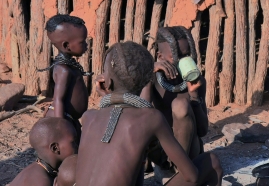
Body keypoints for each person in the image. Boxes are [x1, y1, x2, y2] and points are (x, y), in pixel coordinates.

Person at [76, 41, 222, 186]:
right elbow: (192, 176)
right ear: (147, 79)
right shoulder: (151, 119)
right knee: (212, 162)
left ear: (105, 82)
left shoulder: (89, 117)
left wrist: (107, 97)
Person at [141, 26, 208, 162]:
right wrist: (147, 76)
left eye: (186, 55)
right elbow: (141, 118)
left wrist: (194, 95)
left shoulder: (197, 82)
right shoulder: (152, 79)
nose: (183, 61)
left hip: (188, 151)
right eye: (176, 57)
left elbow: (202, 131)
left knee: (181, 105)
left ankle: (181, 171)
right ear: (160, 57)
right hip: (160, 150)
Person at [38, 15, 91, 137]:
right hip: (62, 118)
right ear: (66, 45)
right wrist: (61, 127)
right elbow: (58, 99)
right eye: (82, 42)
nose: (86, 45)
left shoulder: (69, 66)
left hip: (69, 118)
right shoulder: (63, 69)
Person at [10, 118, 78, 186]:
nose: (78, 145)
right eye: (73, 142)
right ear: (55, 148)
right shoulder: (42, 182)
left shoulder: (38, 169)